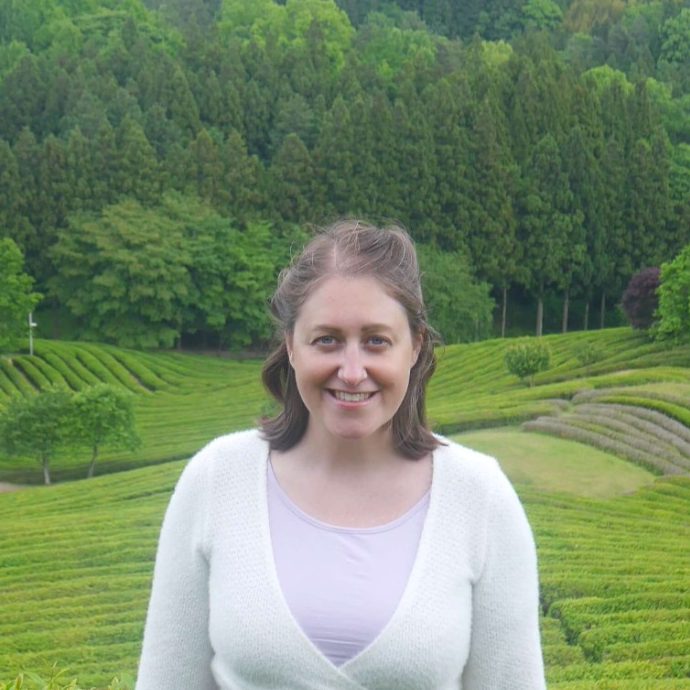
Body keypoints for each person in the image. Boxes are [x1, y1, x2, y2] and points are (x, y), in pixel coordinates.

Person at [135, 220, 546, 690]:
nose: (352, 371)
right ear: (291, 346)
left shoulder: (479, 496)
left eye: (376, 341)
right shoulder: (216, 478)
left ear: (415, 347)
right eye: (326, 339)